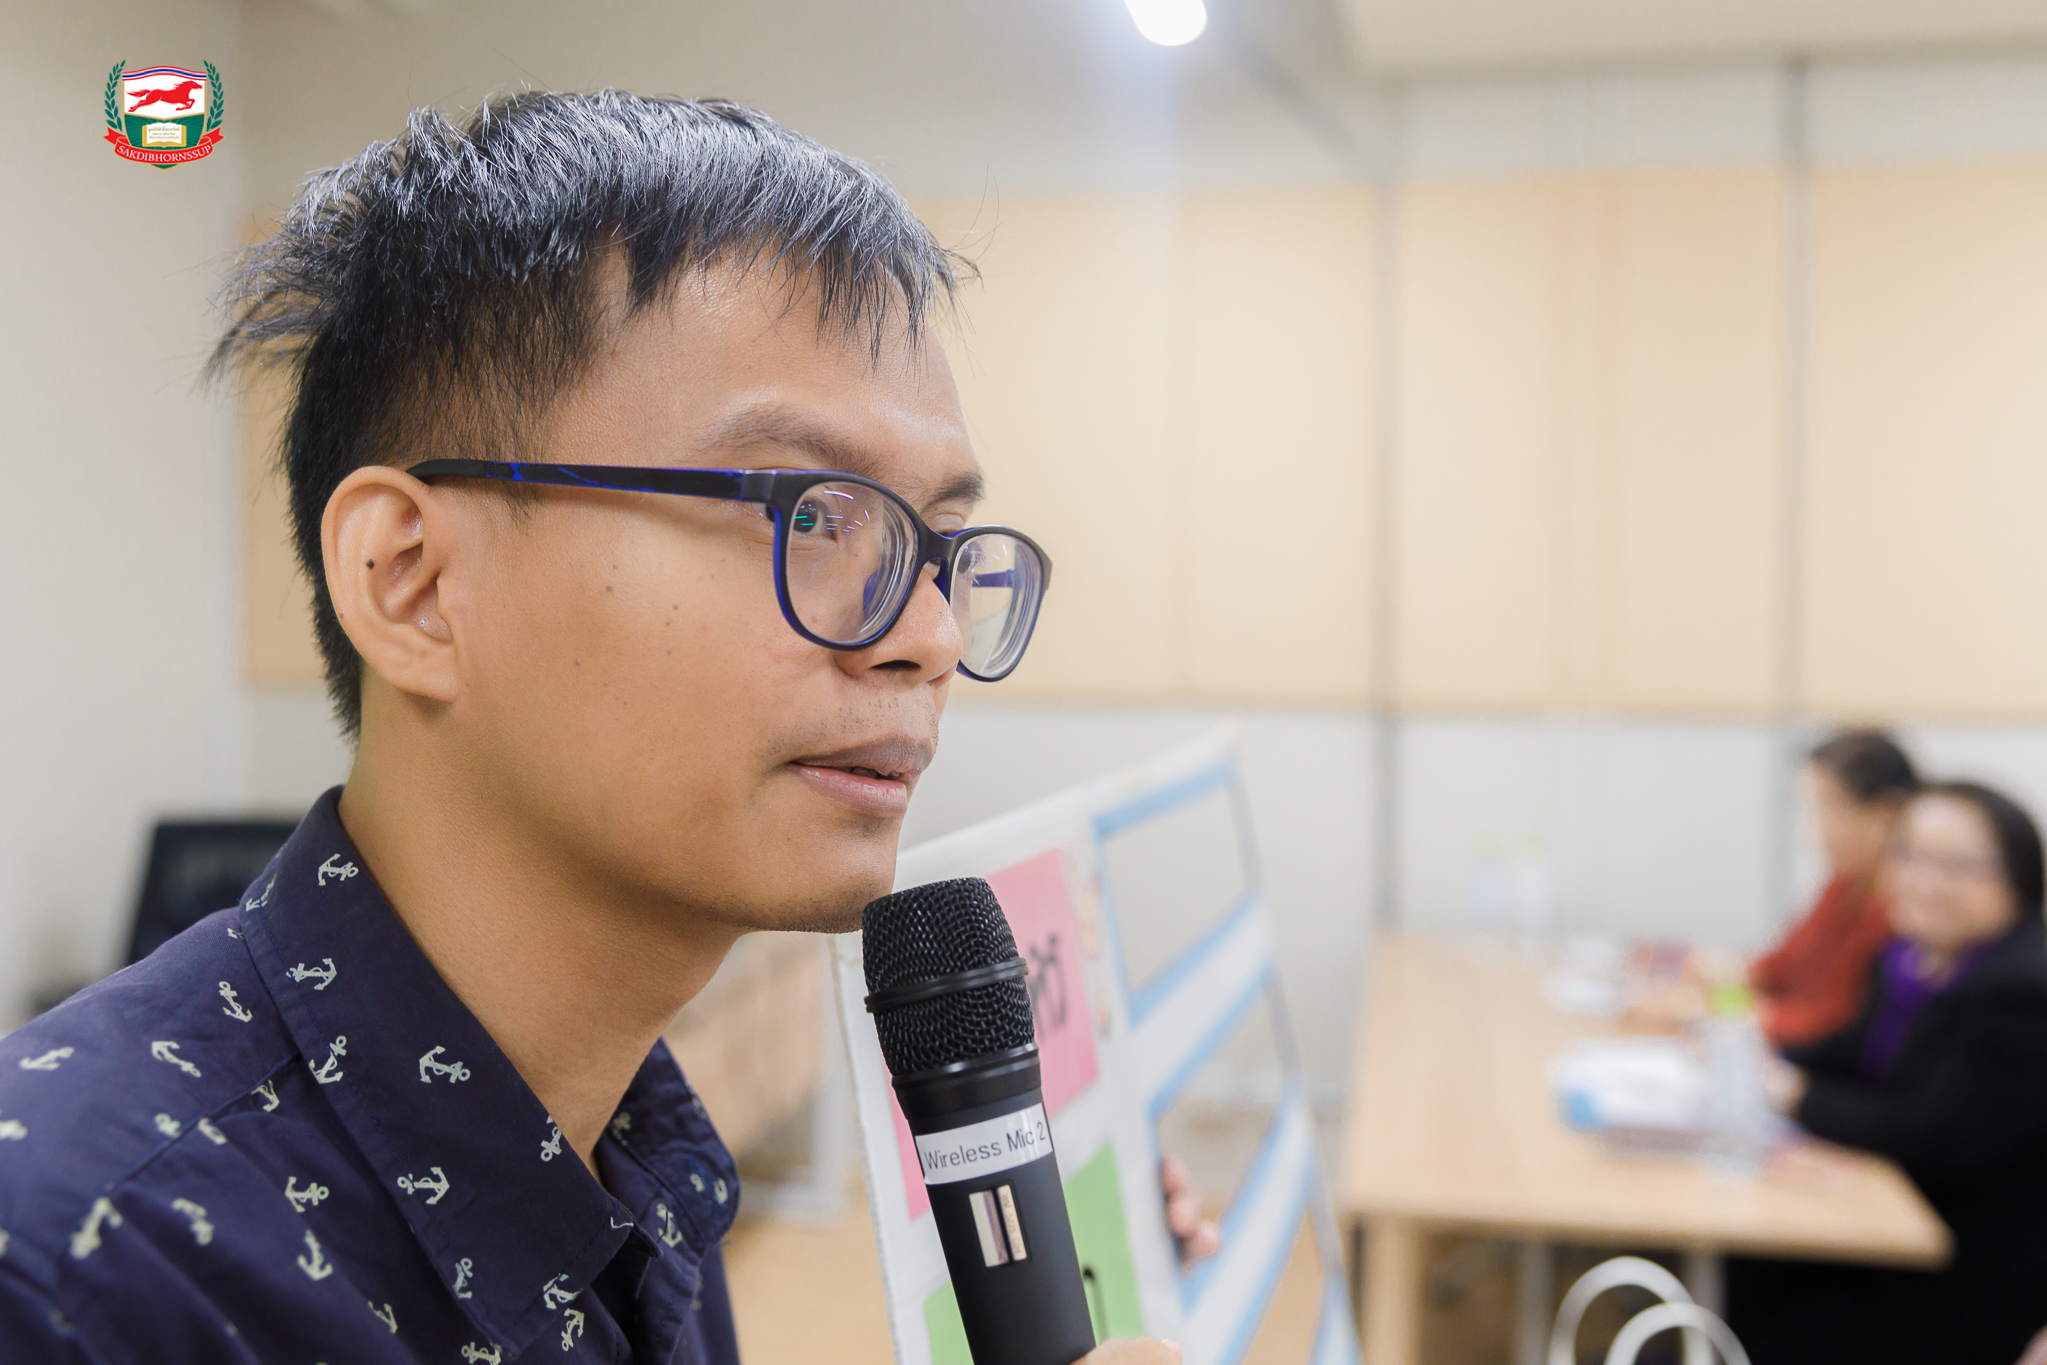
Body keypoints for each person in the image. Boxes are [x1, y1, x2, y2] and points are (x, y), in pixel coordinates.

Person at [0, 92, 1190, 1364]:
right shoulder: (69, 1279)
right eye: (810, 513)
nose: (932, 637)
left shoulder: (634, 1151)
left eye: (941, 544)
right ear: (413, 584)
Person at [1730, 781, 2047, 1365]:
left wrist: (1793, 1095)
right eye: (1909, 856)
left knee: (1776, 1314)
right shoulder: (1908, 957)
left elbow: (1938, 1136)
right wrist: (1758, 1052)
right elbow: (1851, 1053)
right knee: (1742, 1263)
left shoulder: (2024, 991)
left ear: (2018, 876)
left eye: (1957, 865)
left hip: (1960, 1268)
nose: (1924, 881)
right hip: (1884, 1216)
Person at [1749, 729, 1919, 1048]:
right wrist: (1710, 987)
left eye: (1831, 807)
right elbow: (1776, 970)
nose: (1816, 831)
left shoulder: (1907, 911)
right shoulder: (1844, 886)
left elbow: (1840, 1024)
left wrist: (1735, 1017)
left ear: (1888, 812)